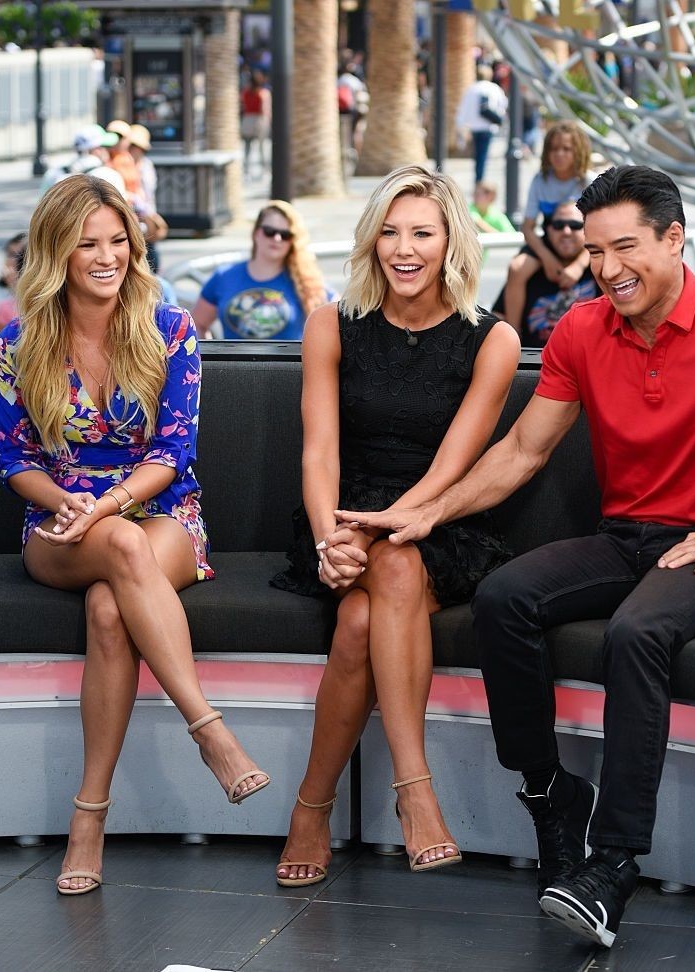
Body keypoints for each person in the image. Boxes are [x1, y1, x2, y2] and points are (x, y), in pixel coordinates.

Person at [338, 166, 695, 949]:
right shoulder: (582, 331)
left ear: (674, 240)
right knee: (503, 597)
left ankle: (613, 864)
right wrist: (424, 513)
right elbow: (523, 450)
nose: (608, 268)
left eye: (626, 248)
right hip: (624, 538)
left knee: (635, 635)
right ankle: (550, 794)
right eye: (596, 251)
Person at [0, 174, 270, 896]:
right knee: (117, 545)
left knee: (110, 603)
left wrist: (108, 505)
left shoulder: (169, 329)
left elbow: (174, 451)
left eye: (118, 241)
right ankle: (209, 729)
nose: (107, 256)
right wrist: (72, 506)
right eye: (88, 244)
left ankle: (88, 819)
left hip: (162, 513)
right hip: (57, 523)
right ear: (57, 252)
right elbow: (14, 460)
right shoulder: (18, 343)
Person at [270, 164, 520, 887]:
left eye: (422, 233)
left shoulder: (491, 340)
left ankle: (318, 808)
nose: (404, 249)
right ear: (371, 240)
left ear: (452, 243)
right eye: (389, 232)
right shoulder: (331, 324)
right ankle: (412, 794)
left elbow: (451, 468)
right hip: (340, 515)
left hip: (439, 519)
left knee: (382, 588)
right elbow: (319, 452)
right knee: (365, 602)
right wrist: (330, 538)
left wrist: (387, 526)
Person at [192, 201, 331, 340]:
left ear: (292, 241)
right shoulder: (224, 277)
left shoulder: (307, 282)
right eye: (269, 232)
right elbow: (197, 324)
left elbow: (336, 319)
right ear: (256, 233)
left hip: (290, 355)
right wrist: (208, 352)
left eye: (285, 235)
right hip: (234, 355)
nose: (277, 238)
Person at [492, 200, 599, 346]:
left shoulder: (600, 267)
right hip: (534, 357)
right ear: (548, 229)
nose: (566, 231)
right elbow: (498, 315)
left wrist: (580, 265)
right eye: (558, 225)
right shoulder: (527, 270)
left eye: (575, 225)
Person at [520, 122, 593, 291]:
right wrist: (547, 258)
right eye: (554, 149)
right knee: (517, 269)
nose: (559, 154)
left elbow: (604, 232)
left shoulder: (590, 182)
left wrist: (579, 265)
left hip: (585, 247)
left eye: (566, 149)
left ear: (578, 151)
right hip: (549, 245)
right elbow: (528, 227)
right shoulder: (540, 181)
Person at [455, 64, 508, 185]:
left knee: (478, 154)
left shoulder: (471, 89)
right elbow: (503, 105)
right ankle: (479, 179)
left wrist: (461, 125)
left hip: (475, 127)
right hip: (488, 127)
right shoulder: (494, 88)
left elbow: (464, 109)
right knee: (483, 154)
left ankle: (478, 178)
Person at [240, 70, 272, 176]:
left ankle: (246, 169)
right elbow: (264, 109)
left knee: (247, 146)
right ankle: (265, 169)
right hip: (260, 120)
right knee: (262, 146)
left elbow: (243, 106)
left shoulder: (245, 93)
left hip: (248, 120)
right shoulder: (264, 93)